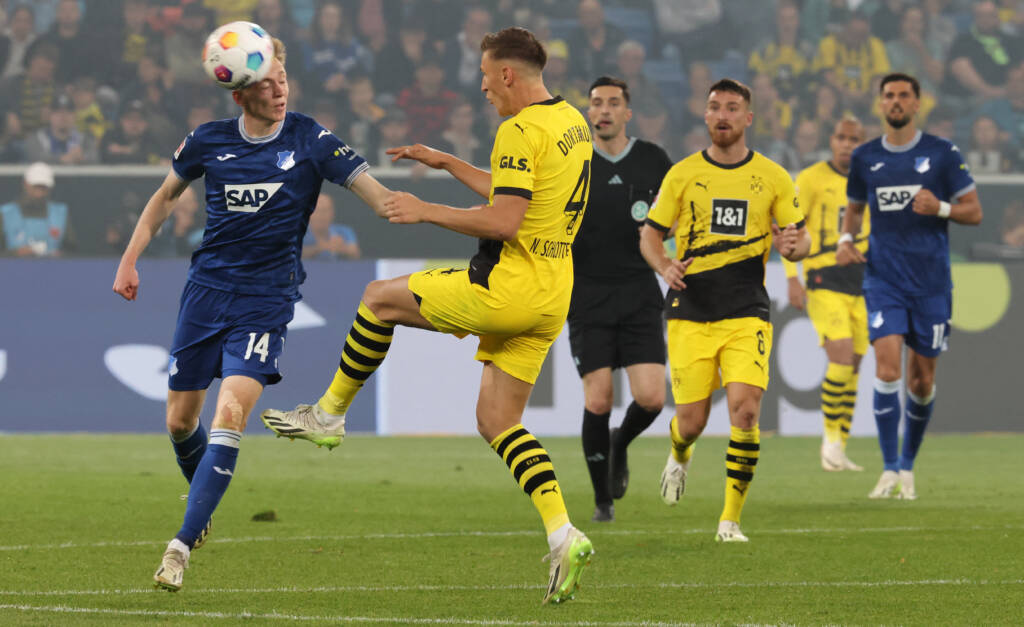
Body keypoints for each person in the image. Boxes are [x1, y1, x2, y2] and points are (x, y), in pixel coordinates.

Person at [260, 27, 595, 605]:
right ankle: (563, 533)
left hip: (506, 286)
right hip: (551, 291)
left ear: (507, 74)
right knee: (498, 421)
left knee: (377, 298)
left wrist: (425, 210)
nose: (483, 87)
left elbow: (504, 220)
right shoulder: (570, 121)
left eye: (486, 77)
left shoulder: (518, 129)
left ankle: (329, 415)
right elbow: (520, 192)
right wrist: (446, 162)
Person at [112, 36, 393, 592]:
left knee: (231, 412)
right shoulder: (208, 140)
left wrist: (455, 205)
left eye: (283, 79)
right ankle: (202, 508)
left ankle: (179, 547)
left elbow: (381, 198)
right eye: (268, 84)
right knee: (179, 422)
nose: (280, 90)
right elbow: (166, 197)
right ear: (240, 93)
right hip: (206, 292)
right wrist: (130, 257)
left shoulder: (311, 139)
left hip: (266, 300)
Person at [639, 78, 810, 543]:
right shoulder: (683, 174)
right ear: (705, 114)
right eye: (715, 107)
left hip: (746, 309)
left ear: (748, 118)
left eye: (733, 108)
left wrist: (794, 248)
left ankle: (729, 521)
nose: (723, 115)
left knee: (746, 412)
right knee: (692, 422)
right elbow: (650, 234)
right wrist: (664, 266)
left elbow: (799, 238)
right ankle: (680, 451)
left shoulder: (773, 176)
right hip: (690, 309)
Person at [836, 72, 982, 501]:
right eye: (889, 95)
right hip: (884, 279)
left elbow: (974, 212)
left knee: (921, 382)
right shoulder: (864, 157)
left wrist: (940, 207)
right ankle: (887, 469)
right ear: (880, 103)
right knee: (887, 369)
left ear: (917, 103)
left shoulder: (942, 153)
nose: (896, 101)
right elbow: (854, 209)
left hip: (931, 284)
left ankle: (907, 466)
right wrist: (845, 240)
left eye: (903, 95)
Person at [570, 76, 672, 523]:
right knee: (598, 401)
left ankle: (620, 442)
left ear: (627, 113)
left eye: (614, 103)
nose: (605, 110)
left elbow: (679, 211)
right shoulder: (573, 162)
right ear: (588, 112)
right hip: (586, 294)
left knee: (651, 398)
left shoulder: (653, 160)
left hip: (639, 292)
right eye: (597, 103)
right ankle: (602, 502)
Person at [782, 116, 868, 472]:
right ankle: (830, 440)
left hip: (862, 280)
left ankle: (840, 447)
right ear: (831, 140)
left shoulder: (869, 180)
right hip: (824, 277)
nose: (847, 144)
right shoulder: (811, 178)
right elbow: (790, 227)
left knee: (855, 366)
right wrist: (792, 277)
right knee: (841, 357)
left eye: (854, 139)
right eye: (841, 137)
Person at [0, 161, 72, 256]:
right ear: (26, 184)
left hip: (52, 265)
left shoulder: (60, 214)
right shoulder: (5, 214)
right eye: (35, 187)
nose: (39, 193)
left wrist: (61, 256)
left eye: (43, 188)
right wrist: (14, 254)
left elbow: (73, 251)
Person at [302, 193, 360, 260]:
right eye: (317, 211)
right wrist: (320, 248)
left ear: (332, 213)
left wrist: (343, 248)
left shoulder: (345, 231)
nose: (321, 215)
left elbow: (356, 253)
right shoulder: (299, 233)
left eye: (325, 211)